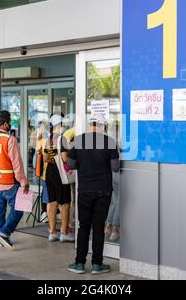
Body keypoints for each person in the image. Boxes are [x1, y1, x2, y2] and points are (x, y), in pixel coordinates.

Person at [67, 114, 120, 275]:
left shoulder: (78, 140)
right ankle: (97, 264)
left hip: (85, 190)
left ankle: (79, 263)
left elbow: (71, 165)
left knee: (83, 227)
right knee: (98, 227)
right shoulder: (110, 142)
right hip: (103, 190)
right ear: (103, 126)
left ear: (90, 125)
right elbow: (115, 167)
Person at [0, 111, 30, 249]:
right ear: (5, 124)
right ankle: (4, 233)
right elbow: (17, 163)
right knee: (19, 208)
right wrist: (23, 181)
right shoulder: (10, 139)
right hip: (8, 182)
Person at [43, 114, 75, 243]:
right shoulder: (62, 139)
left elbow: (46, 158)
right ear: (60, 124)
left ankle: (52, 232)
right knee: (65, 204)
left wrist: (53, 157)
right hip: (60, 173)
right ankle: (64, 232)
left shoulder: (48, 139)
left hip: (49, 172)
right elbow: (64, 158)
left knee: (52, 202)